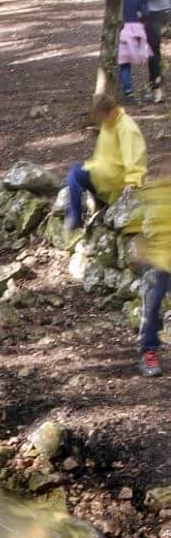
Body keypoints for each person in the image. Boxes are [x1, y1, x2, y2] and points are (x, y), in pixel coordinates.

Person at [64, 89, 147, 242]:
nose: (101, 120)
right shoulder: (109, 123)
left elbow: (135, 157)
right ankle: (94, 207)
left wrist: (133, 181)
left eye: (102, 116)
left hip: (117, 180)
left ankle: (75, 219)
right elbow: (103, 153)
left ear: (112, 111)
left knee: (75, 173)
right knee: (73, 176)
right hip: (104, 173)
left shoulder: (127, 128)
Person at [134, 180, 171, 374]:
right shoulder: (156, 197)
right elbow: (139, 228)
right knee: (153, 304)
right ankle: (149, 354)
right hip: (160, 264)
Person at [118, 0, 149, 101]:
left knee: (124, 63)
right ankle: (149, 88)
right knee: (145, 60)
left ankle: (128, 91)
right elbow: (146, 13)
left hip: (124, 32)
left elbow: (120, 17)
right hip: (137, 31)